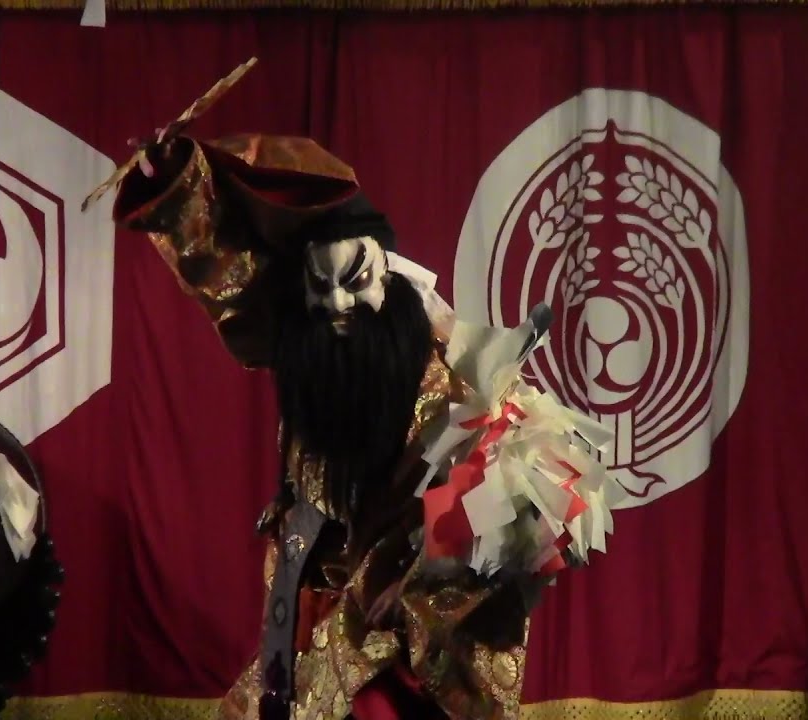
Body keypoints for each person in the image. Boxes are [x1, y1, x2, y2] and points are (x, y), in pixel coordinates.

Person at [97, 74, 618, 720]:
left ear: (388, 276)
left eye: (355, 279)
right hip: (309, 624)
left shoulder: (454, 386)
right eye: (322, 288)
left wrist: (424, 576)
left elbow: (537, 496)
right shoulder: (315, 356)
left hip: (400, 652)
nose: (340, 304)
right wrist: (179, 183)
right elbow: (233, 283)